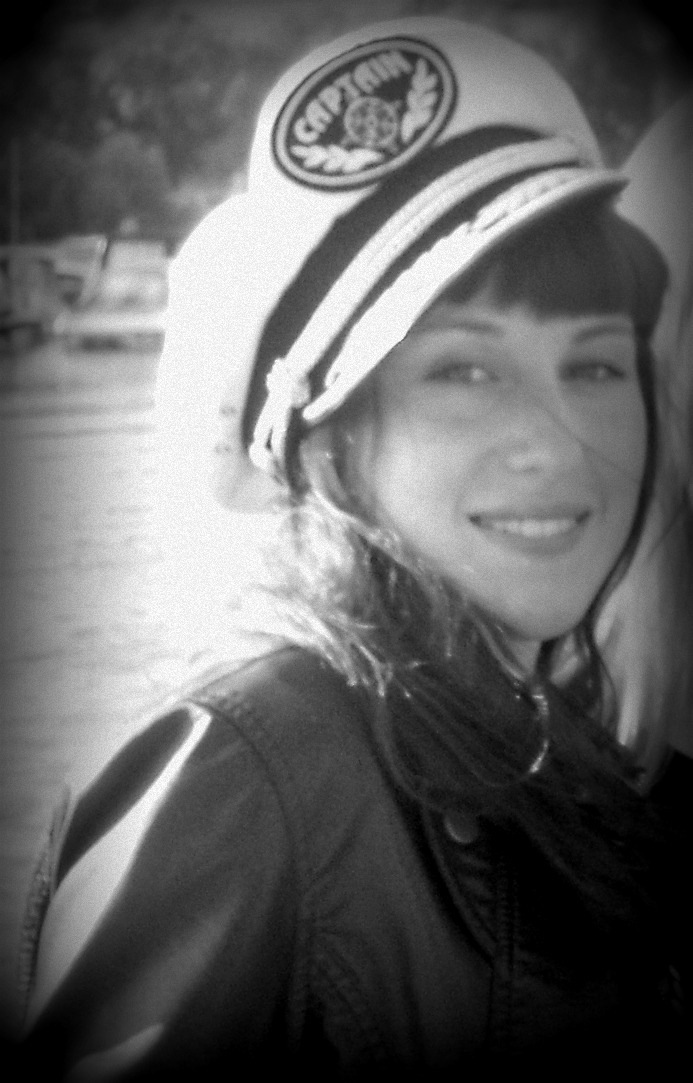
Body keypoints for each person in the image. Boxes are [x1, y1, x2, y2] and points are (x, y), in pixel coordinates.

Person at [14, 16, 692, 1079]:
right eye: (464, 371)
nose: (557, 441)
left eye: (595, 366)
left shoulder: (561, 740)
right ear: (328, 441)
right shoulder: (244, 782)